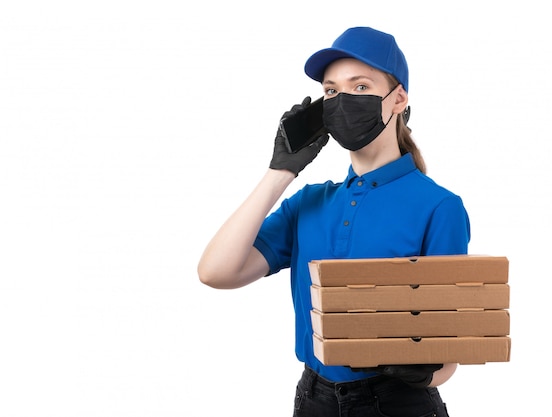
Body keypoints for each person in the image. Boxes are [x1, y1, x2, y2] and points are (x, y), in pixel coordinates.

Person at [198, 26, 470, 417]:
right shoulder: (308, 202)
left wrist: (421, 372)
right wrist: (281, 171)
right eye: (331, 91)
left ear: (398, 99)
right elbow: (216, 272)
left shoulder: (439, 206)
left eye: (360, 87)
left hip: (398, 404)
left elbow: (447, 359)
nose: (342, 100)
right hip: (313, 399)